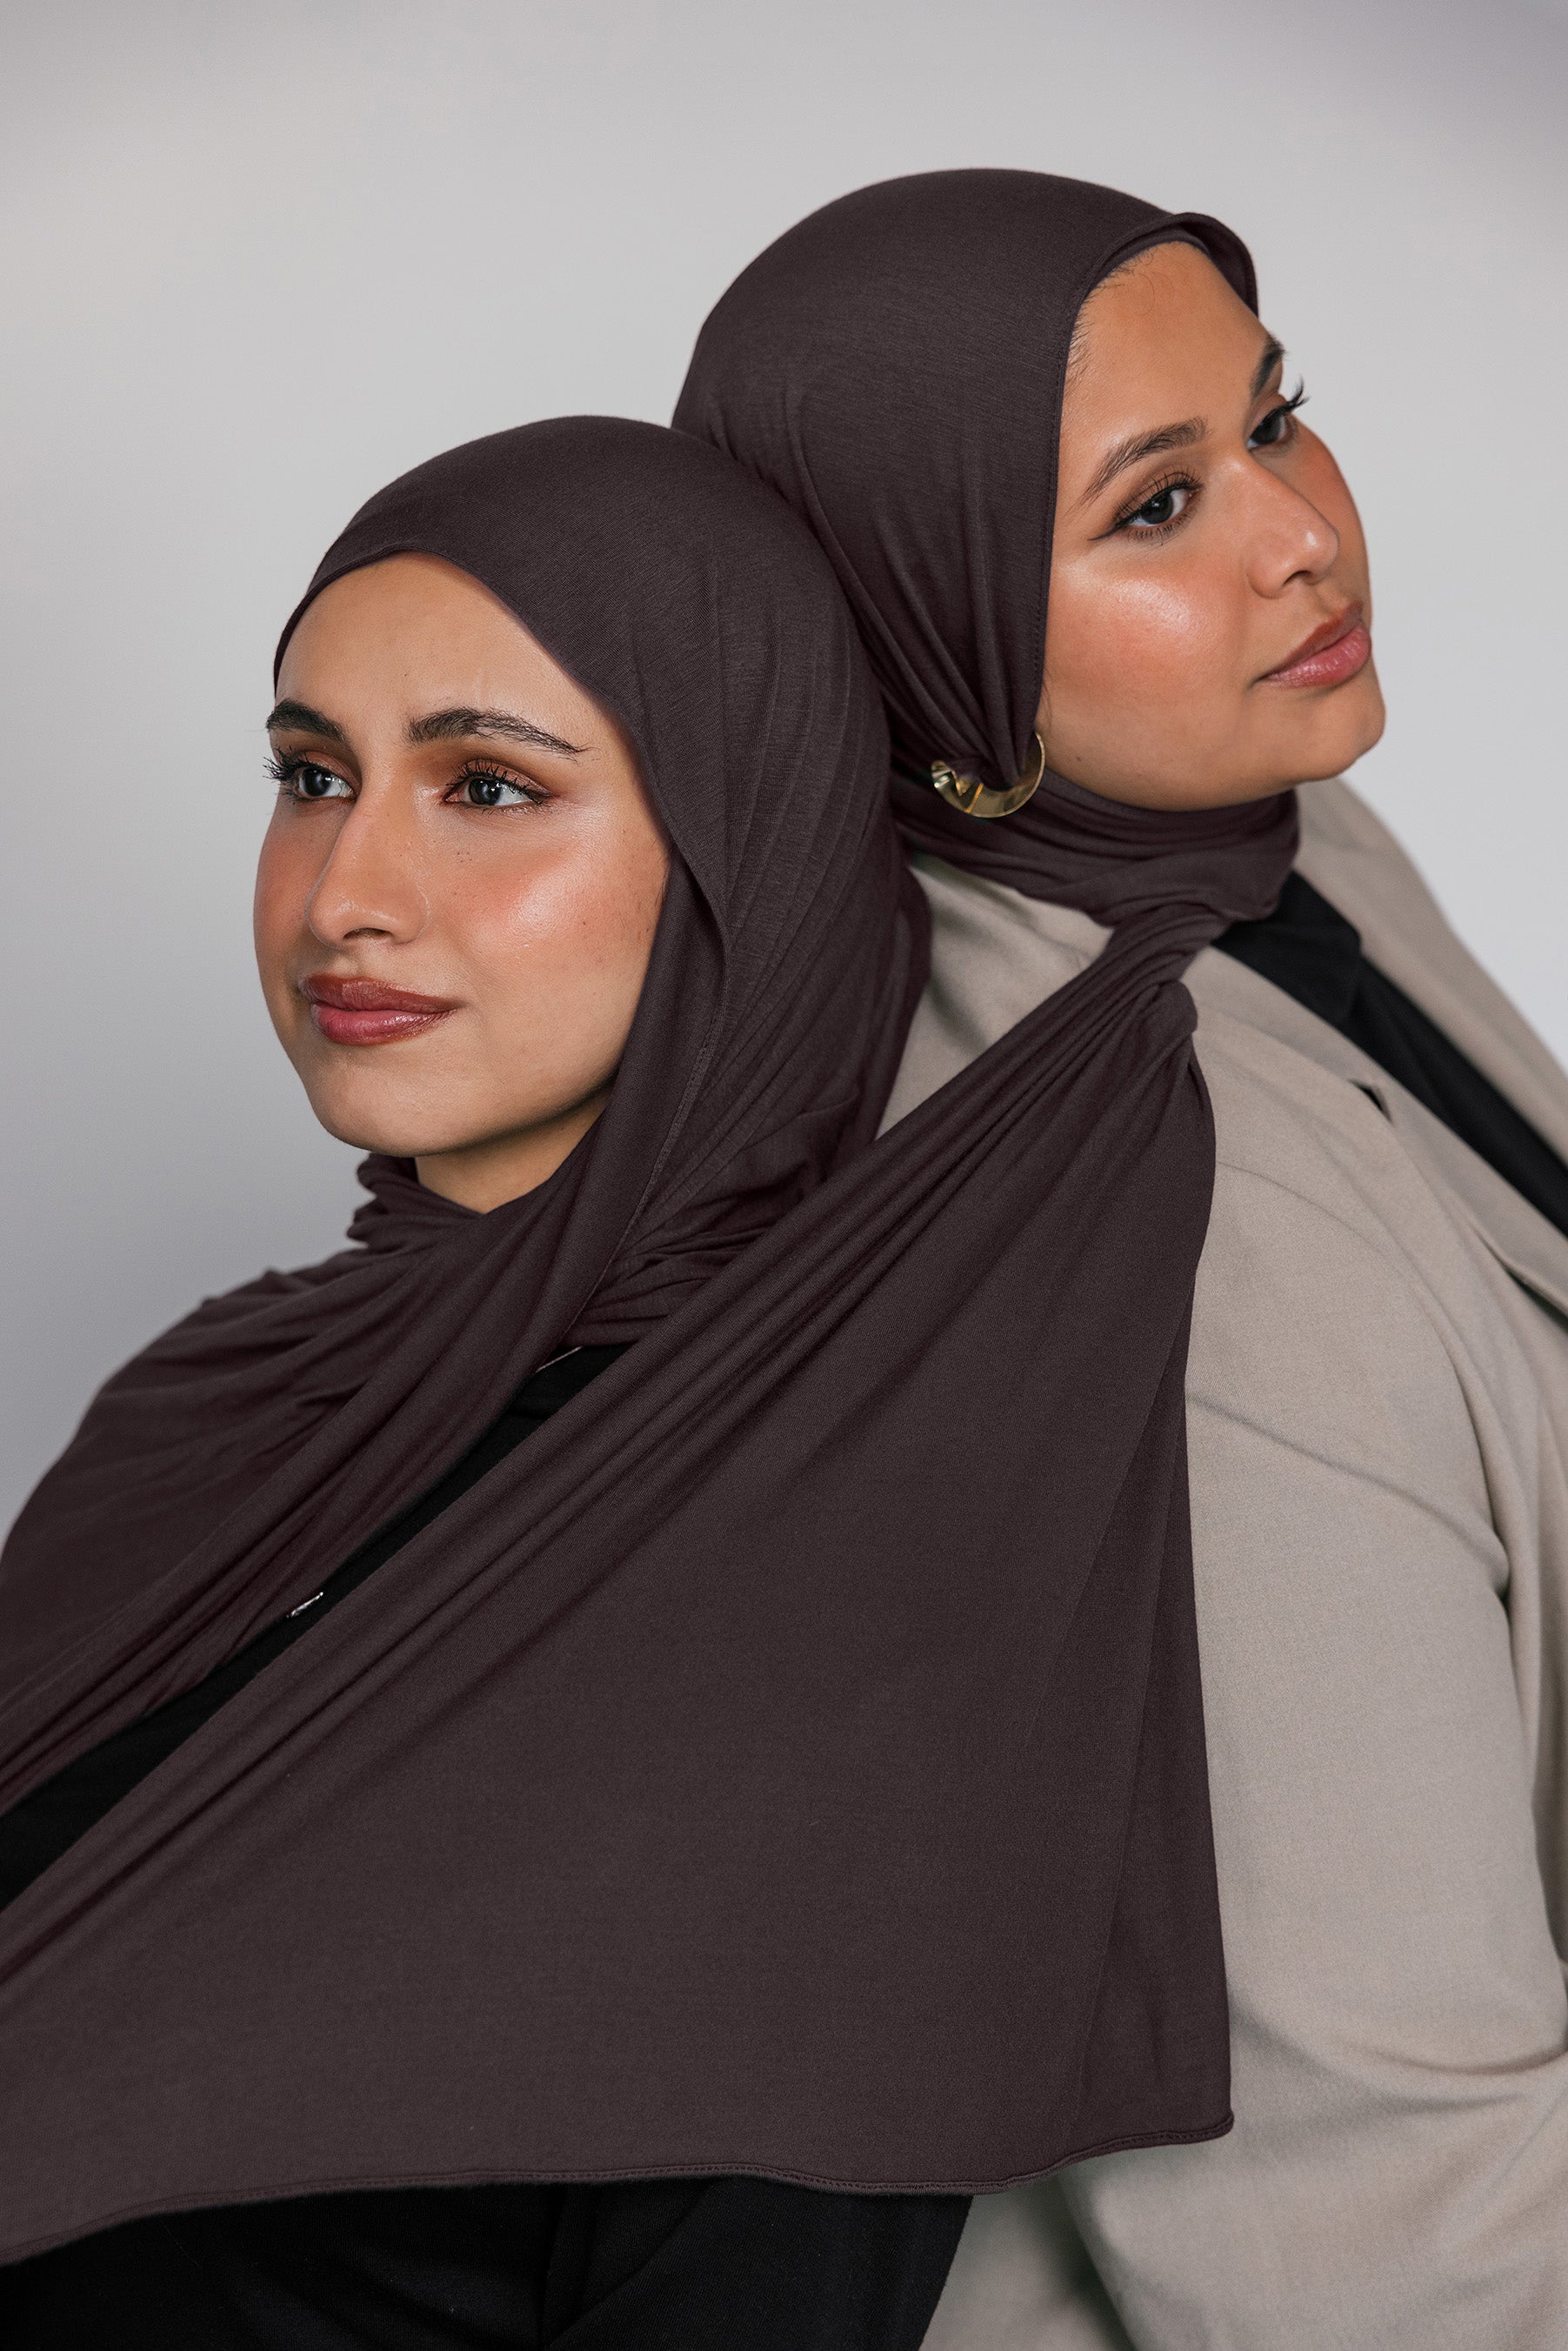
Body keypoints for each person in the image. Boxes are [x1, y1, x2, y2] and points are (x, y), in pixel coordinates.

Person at [0, 411, 1279, 2341]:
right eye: (309, 772)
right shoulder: (213, 1413)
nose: (344, 889)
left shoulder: (824, 1592)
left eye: (489, 788)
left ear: (739, 839)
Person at [676, 170, 1568, 2345]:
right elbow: (1392, 2256)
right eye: (1153, 507)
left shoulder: (1243, 830)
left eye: (1274, 422)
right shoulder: (1170, 1251)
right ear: (920, 623)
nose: (1301, 534)